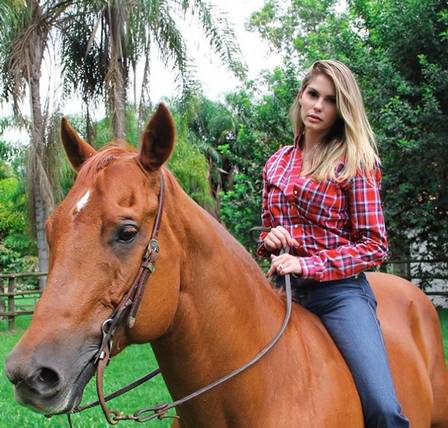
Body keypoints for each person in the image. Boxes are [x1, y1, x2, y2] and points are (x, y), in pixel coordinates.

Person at [257, 60, 409, 427]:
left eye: (329, 100)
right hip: (282, 290)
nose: (317, 106)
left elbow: (375, 244)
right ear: (300, 95)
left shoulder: (355, 163)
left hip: (339, 294)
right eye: (312, 94)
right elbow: (266, 228)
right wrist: (270, 240)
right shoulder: (276, 162)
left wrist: (307, 264)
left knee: (383, 407)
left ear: (341, 110)